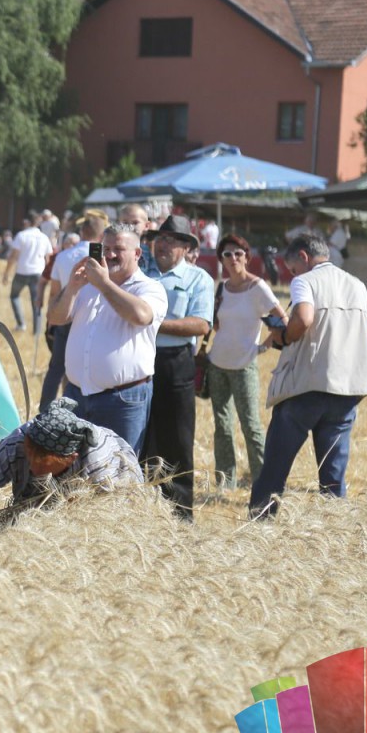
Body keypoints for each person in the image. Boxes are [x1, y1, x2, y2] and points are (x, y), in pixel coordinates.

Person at [249, 233, 367, 518]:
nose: (293, 275)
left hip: (307, 386)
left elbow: (304, 318)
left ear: (304, 257)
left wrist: (284, 335)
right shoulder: (358, 285)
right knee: (333, 480)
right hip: (346, 389)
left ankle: (258, 528)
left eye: (293, 268)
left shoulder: (304, 281)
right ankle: (334, 532)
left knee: (274, 472)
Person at [50, 224, 167, 455]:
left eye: (119, 249)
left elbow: (141, 316)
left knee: (119, 468)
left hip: (121, 400)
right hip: (76, 395)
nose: (111, 255)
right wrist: (72, 287)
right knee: (70, 467)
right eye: (106, 249)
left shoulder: (149, 287)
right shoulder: (87, 286)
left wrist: (104, 284)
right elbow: (55, 317)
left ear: (137, 253)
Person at [0, 398, 142, 533]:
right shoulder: (16, 444)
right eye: (29, 457)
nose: (33, 468)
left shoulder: (98, 464)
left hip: (114, 497)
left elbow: (109, 524)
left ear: (70, 458)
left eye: (42, 464)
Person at [143, 215, 214, 521]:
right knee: (143, 438)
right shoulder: (141, 273)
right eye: (160, 238)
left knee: (177, 440)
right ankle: (143, 510)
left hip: (176, 363)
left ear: (186, 248)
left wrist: (151, 322)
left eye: (172, 241)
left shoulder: (199, 279)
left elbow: (201, 324)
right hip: (140, 359)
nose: (163, 245)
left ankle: (181, 515)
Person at [206, 234, 286, 489]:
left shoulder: (258, 287)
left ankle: (263, 481)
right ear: (221, 259)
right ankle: (225, 482)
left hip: (244, 365)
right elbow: (217, 324)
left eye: (238, 253)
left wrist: (263, 347)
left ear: (247, 257)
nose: (233, 258)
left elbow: (282, 320)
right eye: (227, 254)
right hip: (217, 363)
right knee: (222, 426)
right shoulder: (222, 288)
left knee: (251, 426)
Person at [40, 209, 108, 409]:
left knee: (56, 368)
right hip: (92, 320)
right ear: (101, 235)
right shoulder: (104, 258)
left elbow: (54, 292)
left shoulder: (63, 256)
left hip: (65, 316)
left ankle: (44, 410)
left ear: (82, 231)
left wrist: (51, 318)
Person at [3, 216, 51, 333]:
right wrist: (48, 276)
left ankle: (21, 324)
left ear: (27, 222)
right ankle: (37, 330)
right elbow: (48, 259)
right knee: (37, 302)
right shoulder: (44, 237)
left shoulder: (22, 235)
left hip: (22, 271)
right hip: (38, 272)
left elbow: (13, 256)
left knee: (14, 296)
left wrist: (6, 273)